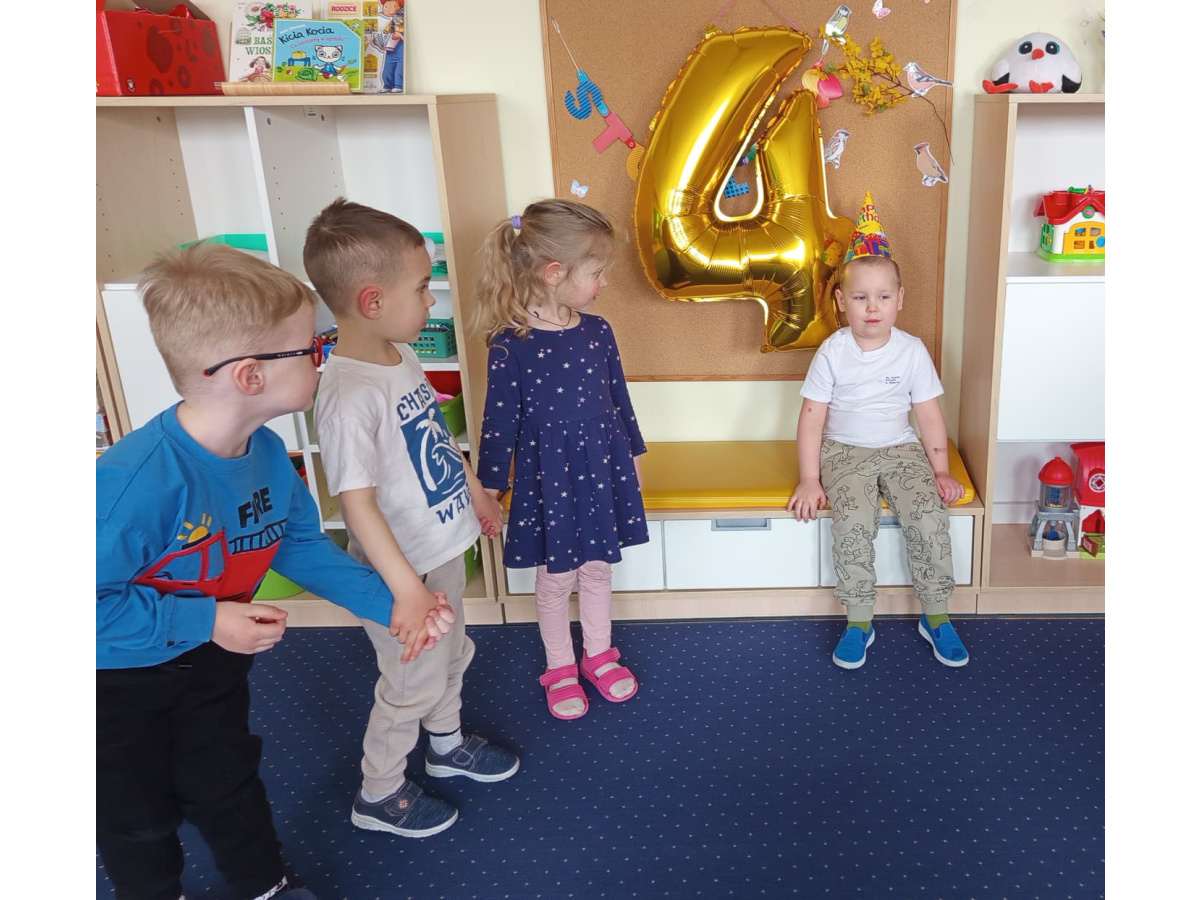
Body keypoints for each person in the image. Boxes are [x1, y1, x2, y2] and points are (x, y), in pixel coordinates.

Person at [95, 244, 448, 900]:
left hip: (210, 664)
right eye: (312, 347)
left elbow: (298, 546)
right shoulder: (130, 485)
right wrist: (207, 619)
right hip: (115, 684)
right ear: (250, 376)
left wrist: (398, 604)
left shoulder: (263, 450)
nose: (323, 356)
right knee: (136, 820)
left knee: (228, 783)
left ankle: (264, 885)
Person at [303, 198, 519, 839]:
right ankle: (379, 792)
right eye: (423, 288)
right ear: (373, 301)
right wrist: (406, 590)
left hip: (439, 548)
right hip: (403, 575)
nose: (431, 301)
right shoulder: (347, 395)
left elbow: (435, 439)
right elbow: (356, 503)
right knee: (408, 682)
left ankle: (445, 745)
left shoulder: (400, 357)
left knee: (452, 653)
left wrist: (475, 492)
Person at [473, 198, 648, 720]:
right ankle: (560, 667)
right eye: (596, 272)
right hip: (548, 480)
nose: (603, 282)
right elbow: (498, 424)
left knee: (597, 568)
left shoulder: (599, 331)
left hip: (601, 470)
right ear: (554, 273)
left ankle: (599, 655)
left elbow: (619, 399)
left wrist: (634, 454)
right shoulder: (510, 345)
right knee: (555, 577)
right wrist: (488, 491)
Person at [786, 193, 970, 670]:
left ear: (900, 300)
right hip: (844, 452)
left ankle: (937, 615)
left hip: (900, 448)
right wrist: (810, 478)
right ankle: (859, 622)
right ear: (841, 301)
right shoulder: (832, 351)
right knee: (852, 523)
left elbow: (928, 415)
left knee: (928, 518)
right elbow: (811, 417)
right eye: (861, 297)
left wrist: (941, 471)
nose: (873, 307)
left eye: (884, 297)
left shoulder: (911, 350)